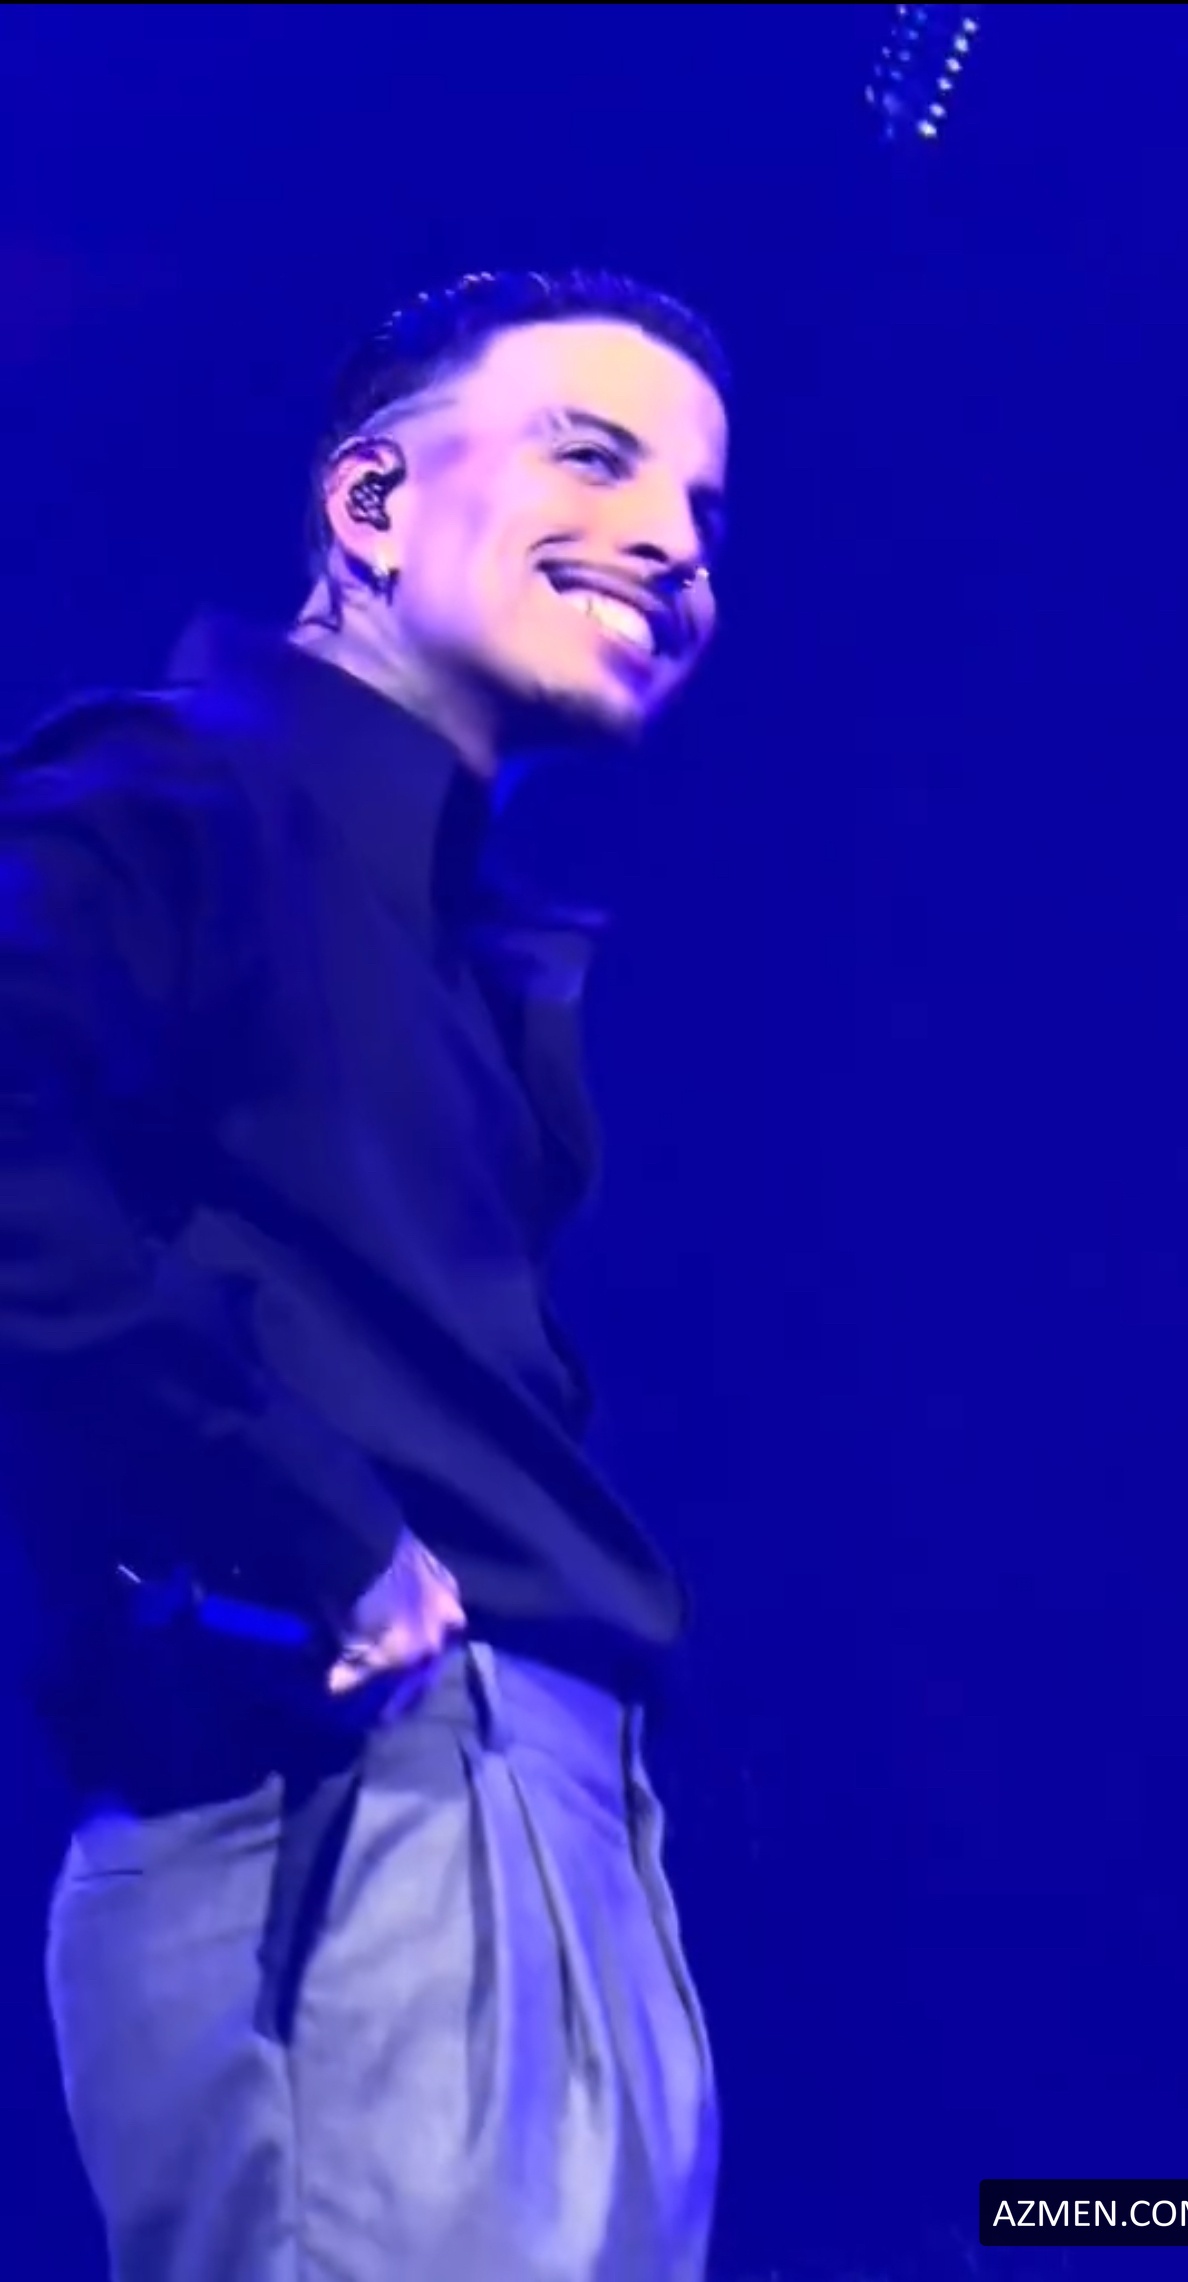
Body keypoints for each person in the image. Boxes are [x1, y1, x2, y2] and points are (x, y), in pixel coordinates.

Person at [1, 268, 729, 2281]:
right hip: (364, 1797)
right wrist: (304, 1516)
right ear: (374, 504)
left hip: (558, 1806)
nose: (673, 539)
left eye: (702, 505)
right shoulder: (183, 792)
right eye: (596, 455)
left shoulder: (457, 935)